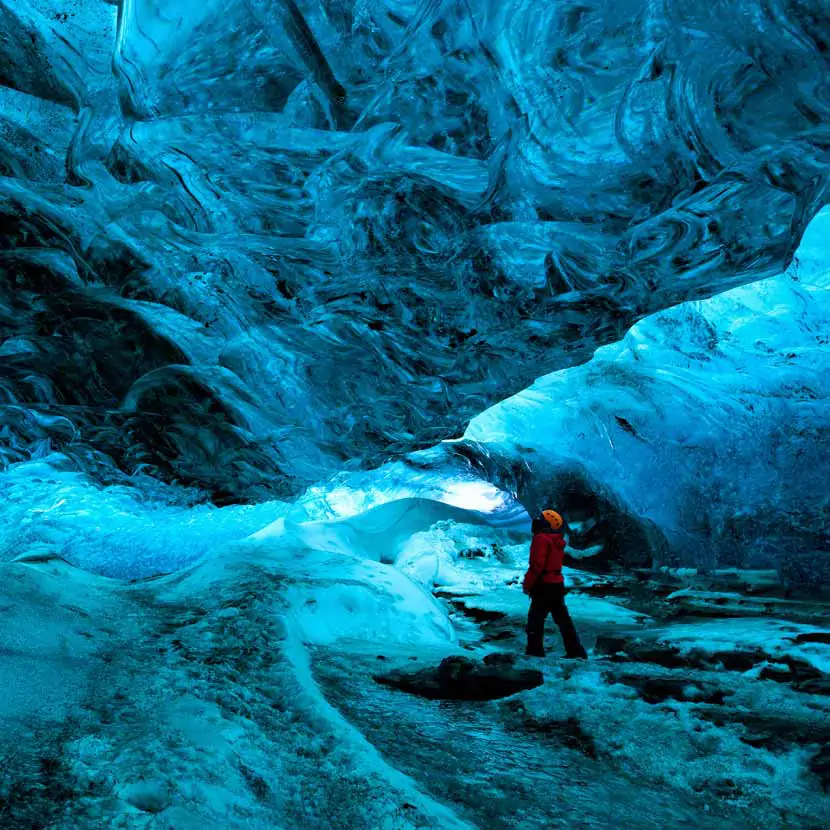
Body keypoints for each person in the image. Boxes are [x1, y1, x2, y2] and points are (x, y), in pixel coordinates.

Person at [522, 509, 587, 659]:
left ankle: (534, 652)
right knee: (563, 620)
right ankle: (576, 651)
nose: (536, 521)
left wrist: (527, 585)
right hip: (557, 585)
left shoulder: (541, 539)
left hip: (544, 586)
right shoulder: (557, 540)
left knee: (535, 621)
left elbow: (536, 566)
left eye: (540, 519)